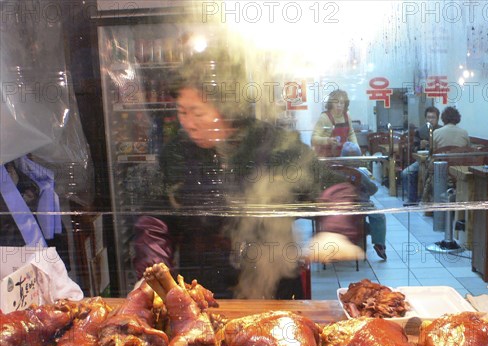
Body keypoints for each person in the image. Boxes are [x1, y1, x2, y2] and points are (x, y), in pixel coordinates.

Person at [132, 47, 362, 300]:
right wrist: (152, 272)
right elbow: (155, 219)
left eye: (197, 112)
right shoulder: (176, 152)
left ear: (229, 108)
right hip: (202, 292)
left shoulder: (274, 144)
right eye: (182, 111)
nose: (188, 122)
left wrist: (336, 229)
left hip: (276, 288)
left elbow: (333, 186)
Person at [339, 142, 388, 260]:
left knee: (359, 223)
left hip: (337, 205)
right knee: (379, 217)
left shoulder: (336, 170)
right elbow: (373, 189)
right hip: (361, 204)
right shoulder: (362, 172)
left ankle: (360, 231)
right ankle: (379, 244)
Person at [421, 106, 471, 203]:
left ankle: (428, 201)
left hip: (441, 170)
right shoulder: (464, 133)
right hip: (459, 170)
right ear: (457, 118)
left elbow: (432, 153)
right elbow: (468, 151)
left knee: (426, 169)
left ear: (443, 118)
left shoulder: (436, 133)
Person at [401, 106, 441, 205]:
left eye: (433, 117)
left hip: (438, 161)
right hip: (422, 160)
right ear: (425, 118)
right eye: (428, 117)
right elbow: (413, 149)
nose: (430, 120)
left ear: (438, 118)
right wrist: (420, 146)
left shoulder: (441, 130)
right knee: (406, 173)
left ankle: (427, 198)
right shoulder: (420, 131)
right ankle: (412, 199)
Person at [311, 90, 358, 157]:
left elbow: (351, 134)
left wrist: (356, 148)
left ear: (345, 104)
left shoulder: (347, 116)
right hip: (326, 157)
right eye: (336, 102)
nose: (339, 105)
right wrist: (328, 140)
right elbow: (313, 139)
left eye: (342, 103)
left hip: (343, 156)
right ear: (331, 103)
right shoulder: (324, 117)